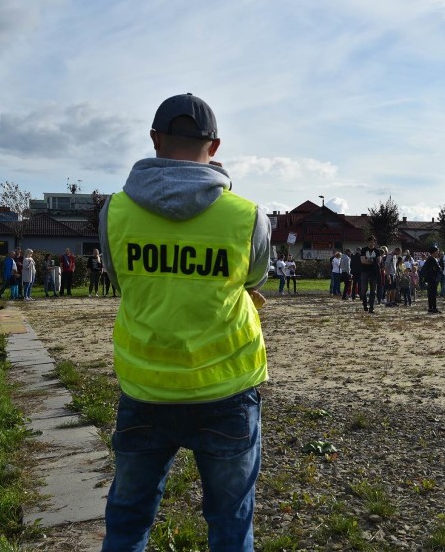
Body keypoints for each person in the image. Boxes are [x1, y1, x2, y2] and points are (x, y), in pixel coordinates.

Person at [98, 93, 271, 551]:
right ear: (214, 146)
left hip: (145, 390)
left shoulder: (114, 212)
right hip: (227, 390)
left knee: (128, 520)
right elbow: (253, 278)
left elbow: (119, 279)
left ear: (155, 139)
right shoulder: (247, 217)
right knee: (231, 526)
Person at [360, 236, 382, 313]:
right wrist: (372, 261)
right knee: (363, 289)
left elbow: (379, 261)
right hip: (365, 271)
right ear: (368, 242)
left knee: (373, 290)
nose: (371, 243)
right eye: (370, 242)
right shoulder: (364, 250)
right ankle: (365, 304)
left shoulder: (377, 251)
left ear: (374, 242)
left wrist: (369, 260)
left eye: (373, 242)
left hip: (374, 272)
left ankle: (371, 307)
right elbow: (363, 261)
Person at [422, 245, 441, 313]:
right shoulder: (432, 259)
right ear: (434, 252)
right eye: (437, 251)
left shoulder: (429, 259)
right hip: (432, 278)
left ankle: (430, 308)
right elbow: (438, 269)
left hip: (429, 278)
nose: (438, 253)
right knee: (433, 294)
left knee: (430, 294)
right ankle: (434, 308)